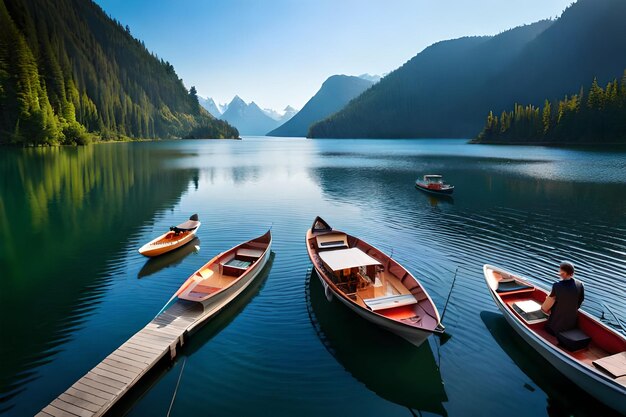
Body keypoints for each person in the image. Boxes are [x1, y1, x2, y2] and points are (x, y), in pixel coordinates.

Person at [541, 261, 584, 335]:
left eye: (560, 271)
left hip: (555, 327)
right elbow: (580, 301)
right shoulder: (580, 284)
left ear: (563, 273)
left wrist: (546, 306)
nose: (559, 272)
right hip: (572, 324)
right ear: (572, 273)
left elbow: (545, 308)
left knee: (544, 309)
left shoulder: (557, 285)